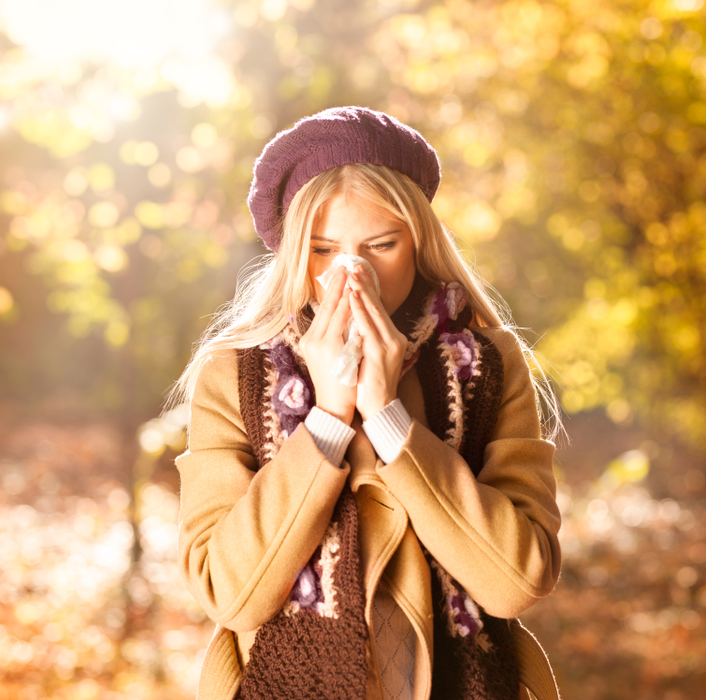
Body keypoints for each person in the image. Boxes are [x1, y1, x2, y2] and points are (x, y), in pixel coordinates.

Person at [170, 106, 563, 700]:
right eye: (324, 251)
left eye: (381, 244)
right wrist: (328, 417)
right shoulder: (235, 375)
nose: (352, 274)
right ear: (294, 253)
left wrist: (388, 417)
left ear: (419, 241)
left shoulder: (487, 364)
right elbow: (231, 594)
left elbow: (518, 580)